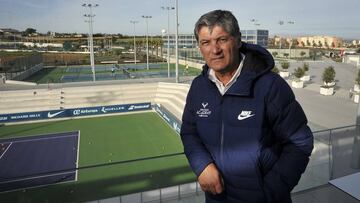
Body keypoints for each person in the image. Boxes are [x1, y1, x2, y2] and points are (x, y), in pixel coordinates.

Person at [180, 10, 313, 203]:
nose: (214, 49)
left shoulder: (270, 86)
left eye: (222, 39)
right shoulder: (198, 86)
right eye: (206, 42)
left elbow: (300, 142)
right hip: (217, 198)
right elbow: (189, 133)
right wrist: (202, 165)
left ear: (237, 40)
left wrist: (270, 192)